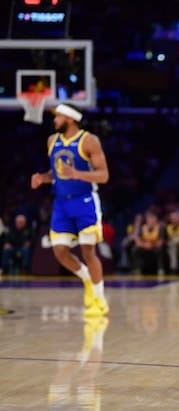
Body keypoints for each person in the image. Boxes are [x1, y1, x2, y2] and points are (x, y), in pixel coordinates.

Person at [31, 104, 109, 316]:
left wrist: (77, 174)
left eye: (58, 117)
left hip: (84, 201)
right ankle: (87, 279)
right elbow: (56, 173)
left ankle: (99, 300)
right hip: (61, 204)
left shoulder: (89, 141)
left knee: (88, 251)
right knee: (60, 252)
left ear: (71, 119)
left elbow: (103, 175)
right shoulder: (52, 141)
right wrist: (43, 178)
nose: (55, 120)